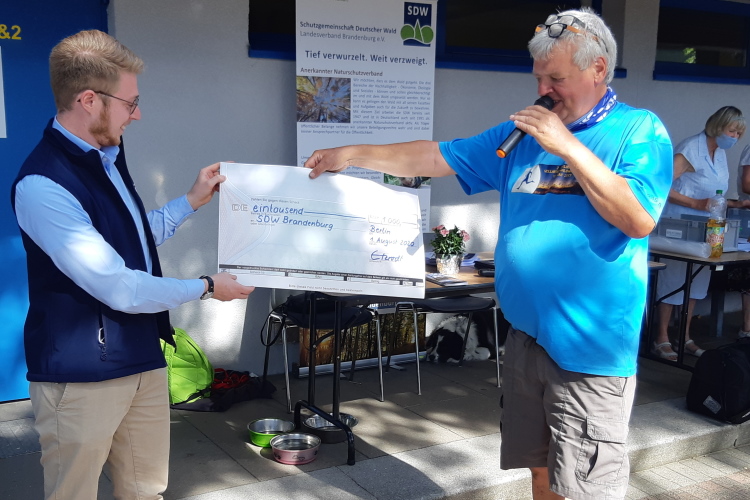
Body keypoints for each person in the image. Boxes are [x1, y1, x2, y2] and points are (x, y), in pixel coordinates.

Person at [304, 7, 672, 500]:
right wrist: (352, 153)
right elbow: (437, 155)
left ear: (598, 69)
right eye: (538, 77)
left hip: (590, 350)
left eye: (556, 78)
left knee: (584, 489)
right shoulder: (522, 137)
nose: (543, 89)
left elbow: (637, 218)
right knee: (539, 475)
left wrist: (567, 146)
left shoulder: (639, 130)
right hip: (525, 340)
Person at [10, 30, 255, 500]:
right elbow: (119, 286)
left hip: (142, 356)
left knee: (146, 490)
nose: (137, 114)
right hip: (81, 376)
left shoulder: (107, 156)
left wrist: (190, 201)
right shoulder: (42, 185)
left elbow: (132, 238)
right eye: (130, 103)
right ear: (89, 100)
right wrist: (207, 286)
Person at [654, 106, 750, 361]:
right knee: (673, 281)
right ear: (718, 126)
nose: (735, 137)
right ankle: (661, 337)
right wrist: (695, 203)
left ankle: (684, 337)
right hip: (678, 225)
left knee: (696, 284)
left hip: (707, 228)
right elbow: (660, 184)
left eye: (739, 134)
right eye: (732, 131)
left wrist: (736, 204)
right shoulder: (690, 148)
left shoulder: (719, 154)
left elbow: (714, 196)